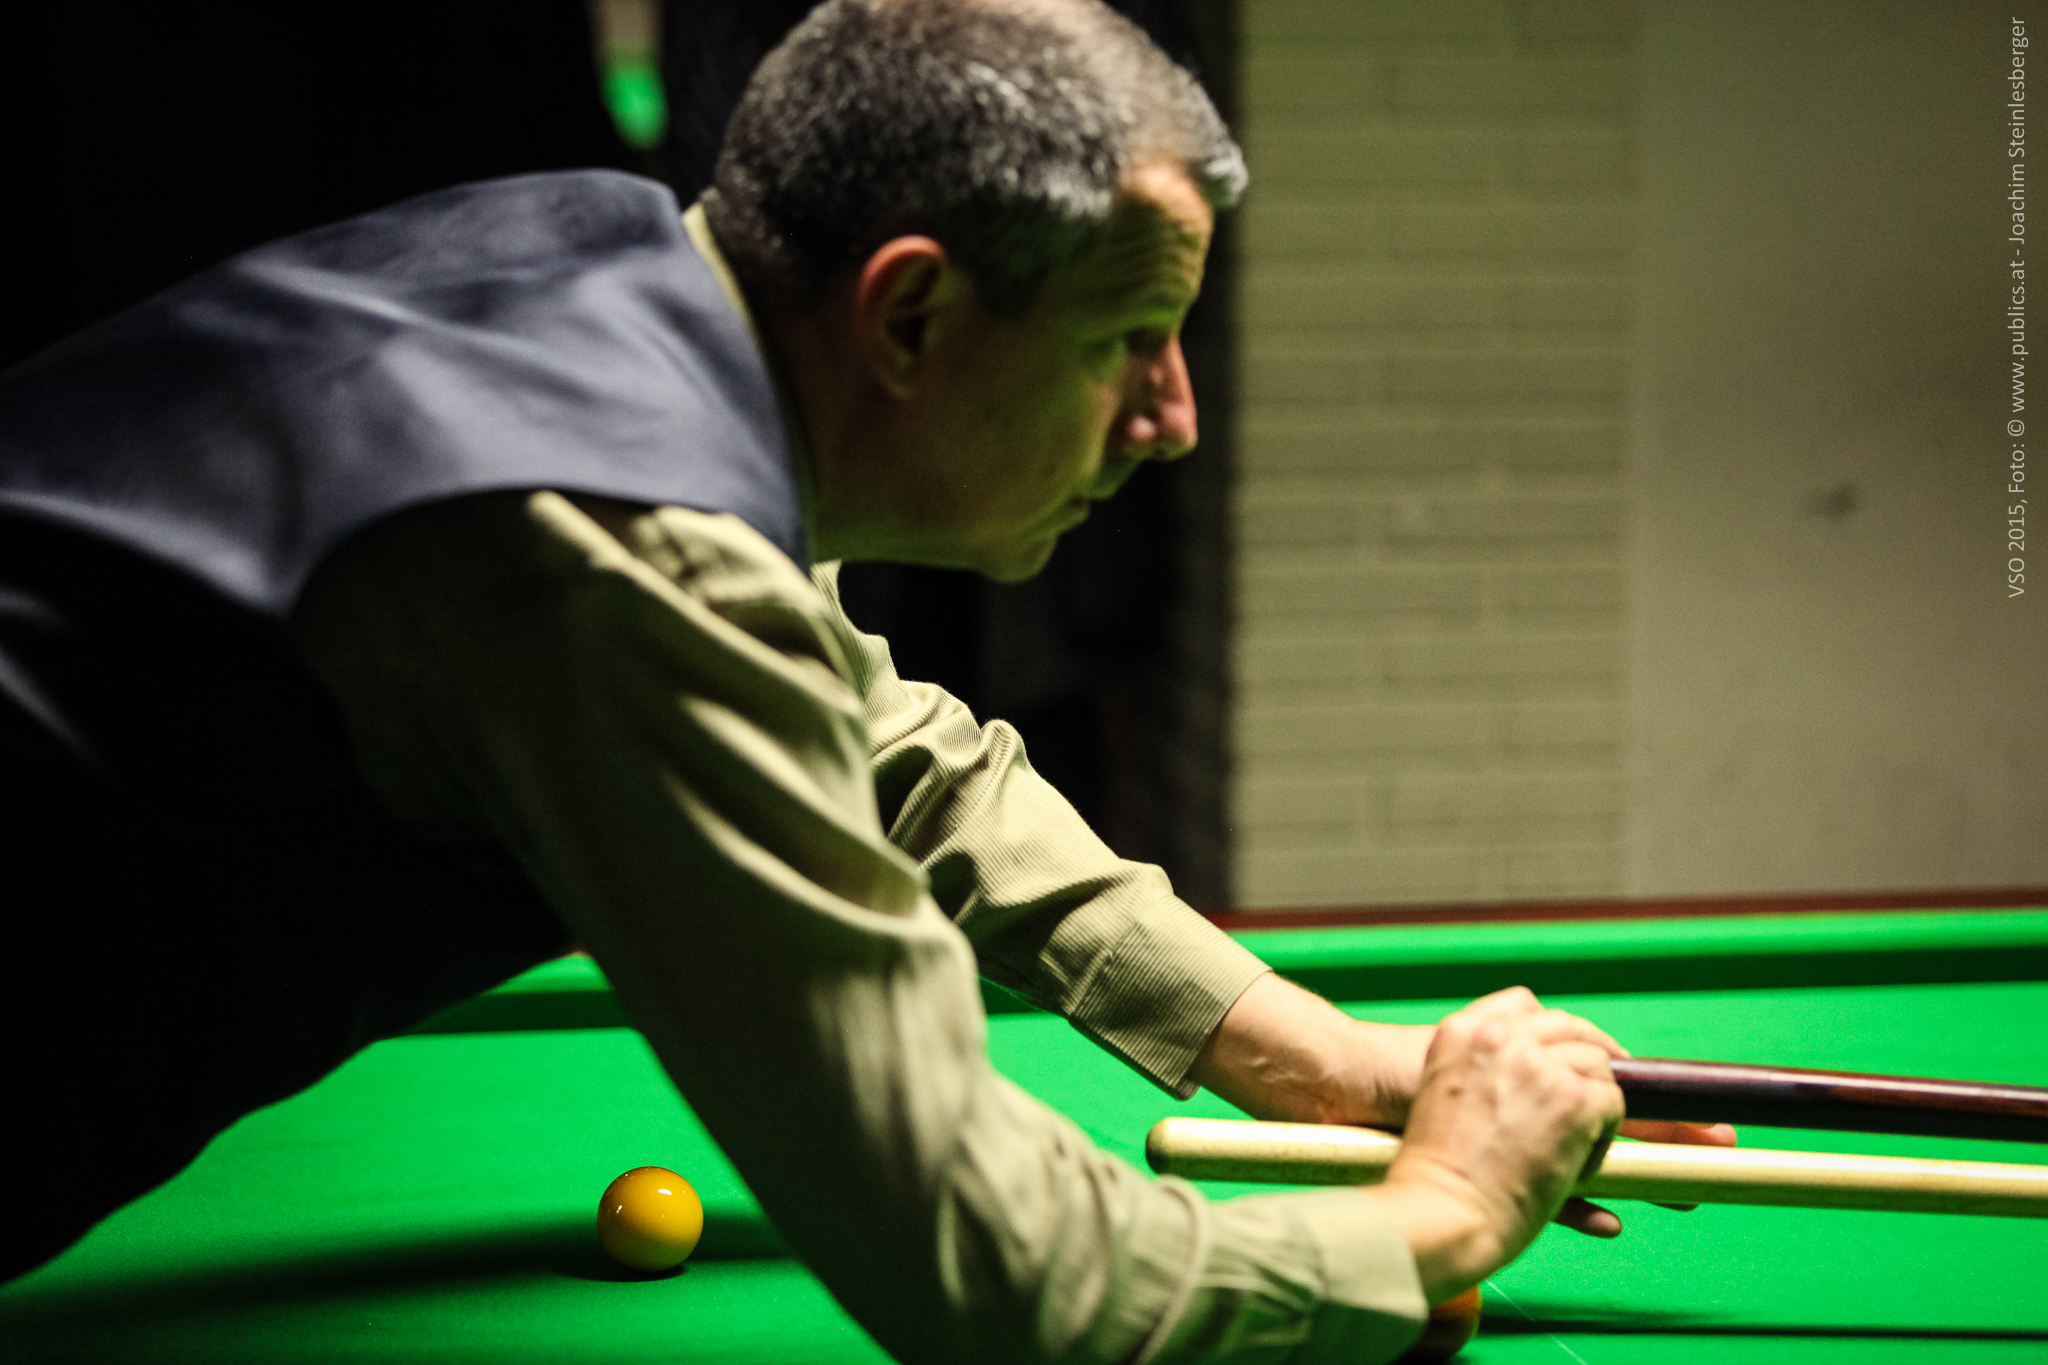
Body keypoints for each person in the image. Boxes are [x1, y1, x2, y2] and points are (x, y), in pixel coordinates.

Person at [0, 0, 1728, 1359]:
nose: (1173, 417)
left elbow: (893, 750)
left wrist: (1317, 1054)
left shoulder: (631, 272)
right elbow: (1003, 1273)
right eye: (1126, 337)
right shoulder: (611, 544)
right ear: (908, 317)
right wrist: (1440, 1214)